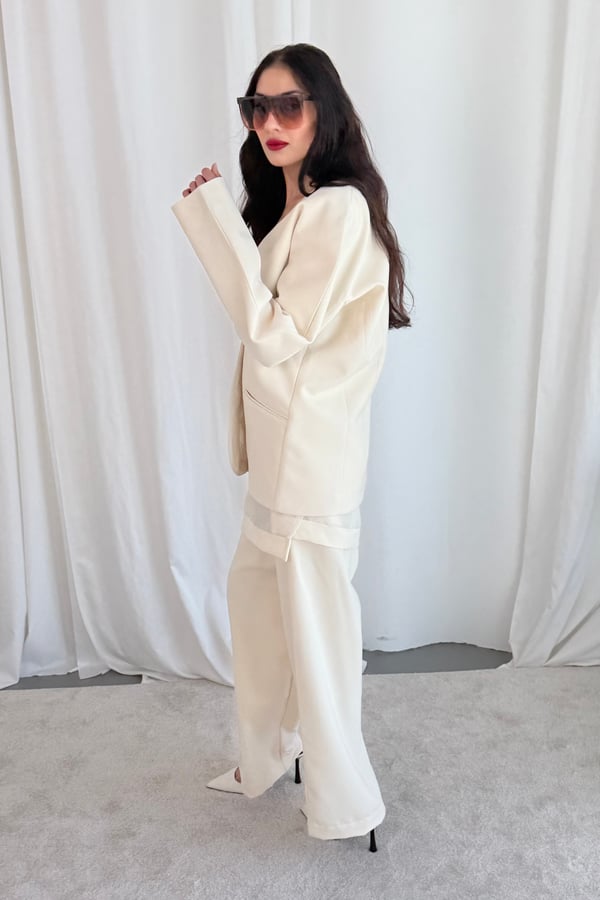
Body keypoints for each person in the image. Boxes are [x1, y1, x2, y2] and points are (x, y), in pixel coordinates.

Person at [171, 42, 412, 853]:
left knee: (315, 635)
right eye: (257, 107)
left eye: (289, 105)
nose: (269, 122)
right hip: (284, 457)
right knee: (260, 613)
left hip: (310, 462)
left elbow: (275, 336)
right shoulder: (297, 208)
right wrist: (229, 225)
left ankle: (347, 802)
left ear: (323, 113)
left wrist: (212, 228)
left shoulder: (337, 210)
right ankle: (268, 753)